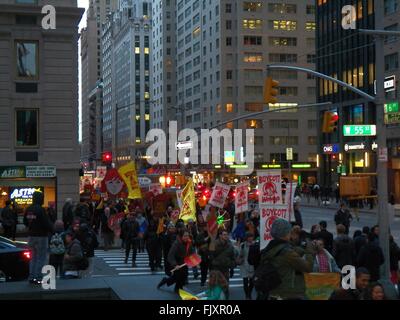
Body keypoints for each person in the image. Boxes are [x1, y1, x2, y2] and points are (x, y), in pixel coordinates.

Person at [257, 218, 314, 300]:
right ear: (286, 233)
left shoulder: (269, 248)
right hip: (289, 294)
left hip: (274, 292)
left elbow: (288, 252)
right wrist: (310, 251)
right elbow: (308, 267)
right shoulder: (287, 253)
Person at [23, 191, 53, 285]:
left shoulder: (29, 209)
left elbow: (25, 221)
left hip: (31, 236)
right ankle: (39, 277)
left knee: (33, 257)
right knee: (41, 257)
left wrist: (31, 226)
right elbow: (46, 223)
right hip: (41, 236)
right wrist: (53, 230)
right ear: (40, 199)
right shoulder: (41, 209)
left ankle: (32, 277)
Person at [210, 230, 236, 298]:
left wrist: (232, 267)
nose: (226, 236)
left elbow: (232, 256)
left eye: (226, 234)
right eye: (224, 234)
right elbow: (210, 256)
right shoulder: (214, 244)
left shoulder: (230, 245)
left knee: (225, 286)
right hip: (216, 269)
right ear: (220, 235)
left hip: (225, 268)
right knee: (216, 287)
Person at [238, 232, 256, 299]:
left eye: (251, 237)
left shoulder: (255, 244)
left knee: (252, 282)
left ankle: (249, 293)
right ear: (247, 238)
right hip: (244, 265)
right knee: (245, 282)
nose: (250, 238)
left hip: (253, 265)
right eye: (249, 237)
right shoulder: (243, 245)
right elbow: (240, 254)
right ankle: (247, 295)